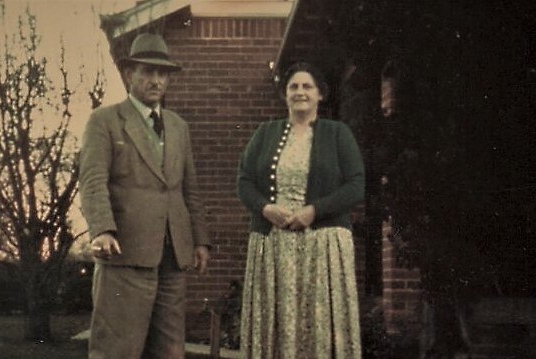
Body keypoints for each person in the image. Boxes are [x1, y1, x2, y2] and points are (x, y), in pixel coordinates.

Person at [78, 33, 211, 359]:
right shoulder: (105, 121)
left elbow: (188, 189)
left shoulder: (179, 127)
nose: (155, 80)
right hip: (125, 253)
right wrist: (103, 229)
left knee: (169, 351)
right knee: (117, 350)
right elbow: (93, 180)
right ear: (129, 75)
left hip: (173, 257)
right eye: (147, 71)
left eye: (162, 73)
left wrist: (199, 240)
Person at [237, 61, 364, 358]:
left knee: (319, 322)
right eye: (293, 86)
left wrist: (314, 211)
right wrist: (265, 208)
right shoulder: (265, 133)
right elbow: (244, 182)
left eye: (308, 86)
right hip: (274, 244)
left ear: (321, 94)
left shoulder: (338, 133)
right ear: (285, 95)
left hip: (323, 245)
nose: (300, 92)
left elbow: (355, 186)